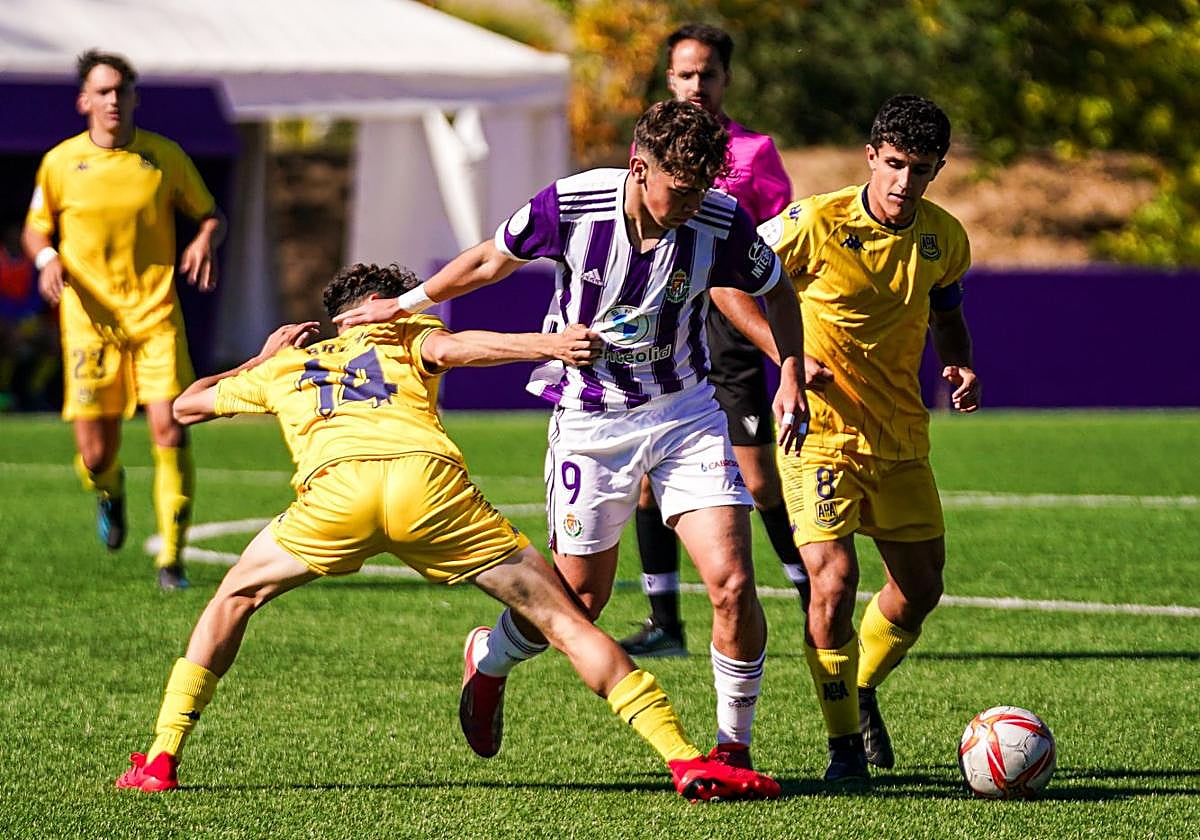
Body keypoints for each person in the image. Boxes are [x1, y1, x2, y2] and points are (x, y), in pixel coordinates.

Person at [114, 263, 780, 802]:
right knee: (569, 621)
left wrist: (257, 362)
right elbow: (465, 348)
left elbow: (185, 405)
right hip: (427, 490)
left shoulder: (290, 366)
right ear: (370, 306)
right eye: (394, 299)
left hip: (335, 497)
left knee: (233, 599)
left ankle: (163, 757)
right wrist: (547, 345)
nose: (404, 305)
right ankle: (687, 761)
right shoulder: (406, 333)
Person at [335, 100, 810, 772]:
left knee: (732, 582)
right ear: (639, 167)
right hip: (592, 419)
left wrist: (788, 369)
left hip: (687, 414)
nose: (691, 202)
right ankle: (490, 657)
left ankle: (734, 748)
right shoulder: (574, 202)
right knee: (580, 598)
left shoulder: (720, 220)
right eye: (680, 188)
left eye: (702, 187)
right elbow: (486, 262)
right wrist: (403, 306)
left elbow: (778, 288)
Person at [761, 94, 979, 782]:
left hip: (900, 437)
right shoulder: (814, 222)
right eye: (892, 165)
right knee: (835, 580)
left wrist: (963, 362)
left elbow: (947, 312)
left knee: (920, 588)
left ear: (937, 168)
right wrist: (788, 361)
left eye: (919, 169)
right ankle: (843, 748)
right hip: (819, 434)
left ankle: (858, 687)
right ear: (870, 157)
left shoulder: (944, 237)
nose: (902, 183)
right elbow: (728, 285)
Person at [619, 23, 809, 661]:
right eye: (685, 73)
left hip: (724, 334)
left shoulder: (753, 154)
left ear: (726, 80)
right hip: (656, 329)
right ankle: (664, 624)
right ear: (669, 78)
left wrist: (787, 351)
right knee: (648, 482)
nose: (696, 84)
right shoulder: (646, 152)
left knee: (757, 481)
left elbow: (780, 255)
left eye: (708, 74)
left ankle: (815, 598)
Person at [22, 49, 224, 589]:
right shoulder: (61, 163)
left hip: (156, 315)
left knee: (170, 429)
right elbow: (35, 229)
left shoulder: (163, 157)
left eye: (122, 91)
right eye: (103, 91)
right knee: (94, 453)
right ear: (84, 100)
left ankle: (171, 561)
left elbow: (210, 215)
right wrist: (47, 259)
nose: (113, 100)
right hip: (89, 322)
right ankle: (110, 492)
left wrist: (205, 239)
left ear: (134, 97)